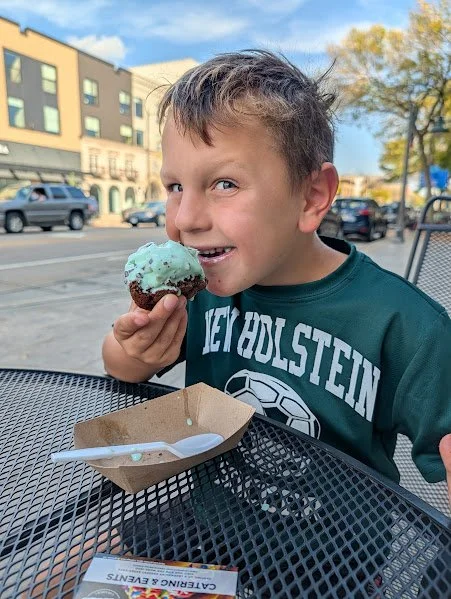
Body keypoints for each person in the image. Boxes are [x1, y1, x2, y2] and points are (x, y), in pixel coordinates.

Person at [102, 50, 451, 505]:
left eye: (224, 183)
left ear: (311, 196)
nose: (185, 218)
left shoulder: (403, 323)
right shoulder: (200, 295)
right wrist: (134, 349)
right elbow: (123, 369)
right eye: (175, 187)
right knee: (65, 564)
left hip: (337, 563)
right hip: (206, 527)